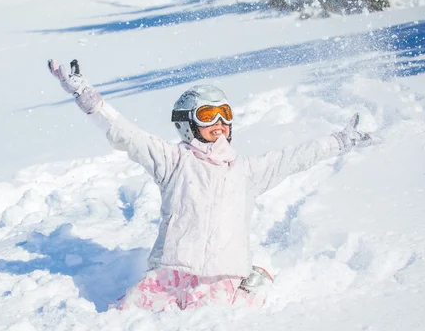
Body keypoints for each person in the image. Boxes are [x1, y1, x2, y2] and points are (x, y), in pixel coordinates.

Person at [47, 59, 374, 312]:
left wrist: (341, 140)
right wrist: (86, 96)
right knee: (129, 320)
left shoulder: (246, 170)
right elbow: (126, 135)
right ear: (189, 123)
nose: (218, 123)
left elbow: (296, 157)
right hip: (169, 277)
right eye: (207, 115)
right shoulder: (173, 162)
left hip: (222, 280)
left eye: (224, 114)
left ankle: (252, 282)